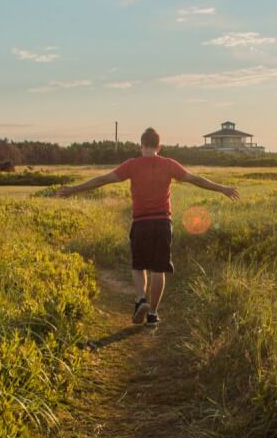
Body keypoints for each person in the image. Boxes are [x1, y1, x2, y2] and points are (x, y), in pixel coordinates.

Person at [56, 127, 240, 327]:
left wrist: (74, 189)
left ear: (141, 145)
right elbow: (195, 179)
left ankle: (141, 299)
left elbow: (103, 180)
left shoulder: (132, 165)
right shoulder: (169, 164)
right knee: (158, 269)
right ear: (159, 146)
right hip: (162, 222)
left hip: (141, 222)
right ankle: (152, 314)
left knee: (138, 265)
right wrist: (222, 188)